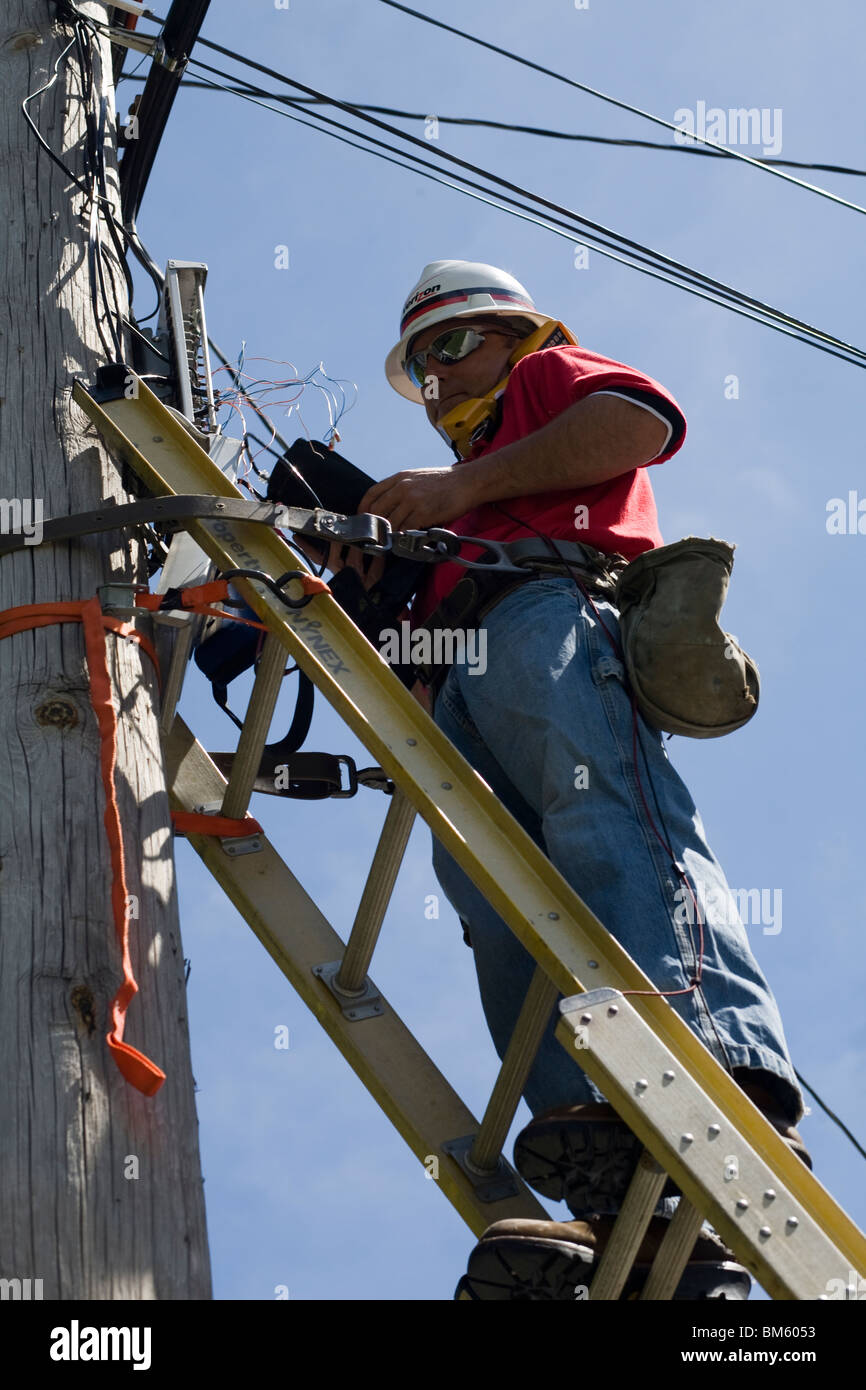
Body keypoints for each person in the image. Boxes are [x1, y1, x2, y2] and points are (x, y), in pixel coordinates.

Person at [332, 260, 809, 1299]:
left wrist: (458, 487)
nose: (437, 376)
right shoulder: (453, 504)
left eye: (451, 345)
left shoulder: (542, 385)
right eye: (420, 366)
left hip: (544, 612)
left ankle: (714, 1066)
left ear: (514, 331)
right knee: (499, 911)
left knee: (607, 823)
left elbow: (637, 423)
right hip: (455, 671)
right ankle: (603, 1180)